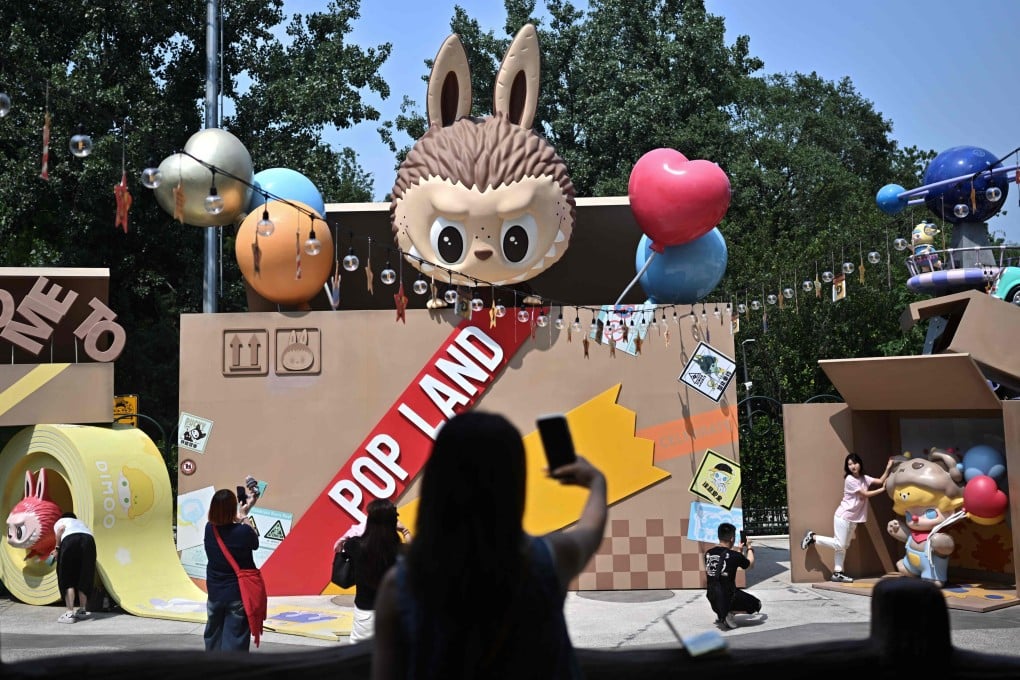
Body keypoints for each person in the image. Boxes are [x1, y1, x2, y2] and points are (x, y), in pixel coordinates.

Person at [371, 410, 607, 679]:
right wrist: (596, 482)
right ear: (514, 482)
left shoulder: (399, 586)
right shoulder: (549, 559)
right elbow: (590, 530)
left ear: (436, 483)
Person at [801, 452, 894, 582]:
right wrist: (882, 490)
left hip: (853, 518)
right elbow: (864, 494)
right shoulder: (850, 479)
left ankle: (837, 572)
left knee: (843, 546)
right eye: (849, 464)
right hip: (844, 516)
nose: (853, 466)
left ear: (860, 464)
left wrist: (888, 468)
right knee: (840, 544)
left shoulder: (864, 478)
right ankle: (813, 537)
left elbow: (880, 481)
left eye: (855, 463)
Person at [343, 499, 408, 644]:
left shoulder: (355, 545)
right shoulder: (400, 550)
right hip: (393, 613)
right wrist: (405, 530)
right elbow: (416, 555)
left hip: (365, 614)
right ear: (393, 522)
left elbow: (343, 543)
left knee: (359, 655)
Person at [203, 484, 259, 651]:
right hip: (237, 593)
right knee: (235, 638)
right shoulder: (242, 532)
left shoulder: (209, 529)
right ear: (232, 509)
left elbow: (225, 522)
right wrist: (244, 515)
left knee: (213, 635)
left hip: (215, 592)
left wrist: (241, 513)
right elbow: (254, 541)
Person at [704, 522, 760, 630]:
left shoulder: (708, 553)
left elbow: (728, 564)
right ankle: (728, 613)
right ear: (732, 539)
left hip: (712, 598)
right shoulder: (735, 556)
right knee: (757, 604)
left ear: (719, 536)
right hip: (728, 598)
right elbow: (750, 565)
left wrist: (739, 551)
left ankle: (722, 612)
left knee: (722, 588)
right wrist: (749, 547)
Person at [53, 512, 97, 624]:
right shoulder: (81, 523)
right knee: (84, 575)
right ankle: (82, 610)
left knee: (67, 577)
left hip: (70, 540)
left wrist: (57, 549)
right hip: (89, 541)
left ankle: (69, 613)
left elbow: (60, 530)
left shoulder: (60, 521)